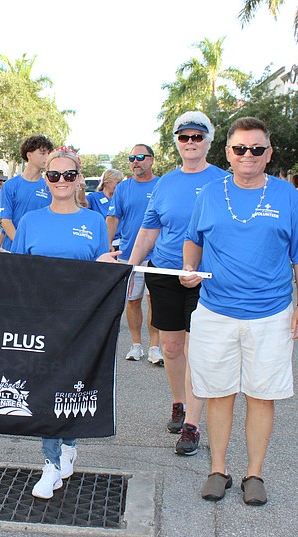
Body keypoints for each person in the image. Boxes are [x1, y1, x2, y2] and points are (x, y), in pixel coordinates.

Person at [181, 117, 298, 506]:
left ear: (268, 153)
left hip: (271, 313)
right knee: (220, 392)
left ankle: (254, 474)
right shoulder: (209, 193)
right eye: (240, 149)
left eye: (257, 149)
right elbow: (194, 240)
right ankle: (218, 469)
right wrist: (190, 270)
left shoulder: (287, 196)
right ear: (228, 152)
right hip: (215, 311)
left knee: (262, 395)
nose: (248, 156)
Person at [7, 146, 119, 499]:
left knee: (72, 385)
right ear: (46, 179)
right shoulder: (30, 221)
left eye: (68, 175)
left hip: (82, 320)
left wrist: (106, 263)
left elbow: (102, 271)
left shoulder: (93, 222)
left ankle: (68, 445)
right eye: (53, 175)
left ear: (78, 179)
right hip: (40, 319)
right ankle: (51, 463)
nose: (60, 181)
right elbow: (16, 272)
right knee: (43, 386)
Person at [128, 111, 227, 456]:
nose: (190, 143)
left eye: (197, 137)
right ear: (177, 142)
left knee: (196, 349)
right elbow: (149, 230)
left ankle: (192, 425)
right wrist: (130, 265)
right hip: (166, 273)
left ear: (208, 142)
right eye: (184, 137)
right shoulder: (165, 183)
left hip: (207, 278)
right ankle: (179, 403)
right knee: (171, 347)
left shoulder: (224, 181)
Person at [107, 143, 161, 364]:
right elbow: (112, 218)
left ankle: (154, 347)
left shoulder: (162, 185)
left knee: (155, 301)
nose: (135, 161)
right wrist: (106, 245)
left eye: (140, 157)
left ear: (151, 160)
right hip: (129, 254)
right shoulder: (123, 188)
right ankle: (136, 345)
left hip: (158, 256)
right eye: (131, 158)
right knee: (132, 300)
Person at [0, 135, 54, 251]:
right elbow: (6, 220)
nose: (47, 157)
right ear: (29, 155)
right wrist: (21, 244)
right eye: (43, 153)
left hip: (38, 249)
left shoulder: (50, 187)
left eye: (49, 153)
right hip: (13, 248)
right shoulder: (10, 185)